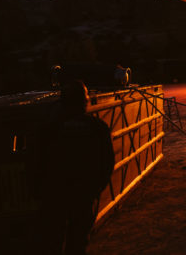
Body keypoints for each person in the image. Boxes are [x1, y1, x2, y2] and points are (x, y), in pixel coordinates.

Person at [39, 80, 115, 254]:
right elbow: (107, 162)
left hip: (55, 195)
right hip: (83, 195)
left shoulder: (51, 129)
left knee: (53, 241)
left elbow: (39, 160)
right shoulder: (97, 128)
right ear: (85, 102)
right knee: (78, 243)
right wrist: (96, 189)